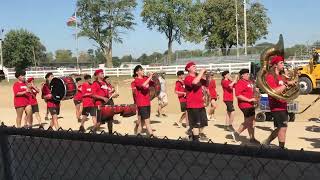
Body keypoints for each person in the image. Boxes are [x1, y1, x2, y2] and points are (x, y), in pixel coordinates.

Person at [262, 56, 296, 149]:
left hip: (282, 104)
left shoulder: (281, 76)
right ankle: (281, 148)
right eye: (281, 63)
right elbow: (274, 91)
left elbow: (286, 86)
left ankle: (267, 141)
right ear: (275, 65)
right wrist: (286, 85)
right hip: (276, 106)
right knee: (283, 127)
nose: (283, 65)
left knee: (279, 128)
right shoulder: (270, 77)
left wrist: (293, 82)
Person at [232, 69, 260, 144]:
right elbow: (238, 95)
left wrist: (256, 92)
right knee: (249, 121)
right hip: (244, 104)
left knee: (252, 122)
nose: (248, 75)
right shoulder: (240, 82)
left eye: (248, 74)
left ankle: (252, 138)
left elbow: (253, 91)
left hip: (251, 104)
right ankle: (236, 133)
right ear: (242, 75)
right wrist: (249, 100)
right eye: (246, 74)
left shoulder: (250, 82)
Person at [184, 62, 208, 141]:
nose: (195, 67)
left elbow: (206, 84)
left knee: (202, 123)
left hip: (200, 104)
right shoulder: (188, 78)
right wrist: (201, 72)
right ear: (188, 69)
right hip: (193, 105)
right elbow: (194, 82)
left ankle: (192, 135)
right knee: (196, 125)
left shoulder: (198, 77)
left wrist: (206, 75)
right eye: (193, 66)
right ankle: (195, 141)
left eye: (195, 66)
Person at [132, 65, 155, 136]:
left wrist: (152, 76)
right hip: (141, 103)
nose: (143, 71)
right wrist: (149, 77)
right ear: (137, 72)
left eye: (142, 70)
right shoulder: (136, 80)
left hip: (147, 102)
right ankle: (151, 135)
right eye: (141, 70)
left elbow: (152, 83)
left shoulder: (145, 78)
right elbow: (142, 85)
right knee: (147, 121)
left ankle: (138, 134)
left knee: (142, 121)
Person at [92, 69, 117, 134]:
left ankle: (110, 134)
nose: (103, 74)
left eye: (103, 73)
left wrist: (112, 95)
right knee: (99, 122)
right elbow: (93, 95)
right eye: (101, 73)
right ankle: (92, 133)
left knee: (110, 119)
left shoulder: (104, 83)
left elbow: (107, 93)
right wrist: (103, 98)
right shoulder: (95, 83)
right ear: (97, 75)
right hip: (99, 104)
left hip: (107, 103)